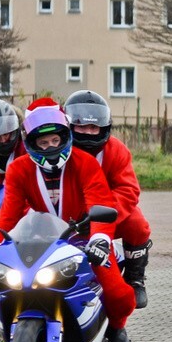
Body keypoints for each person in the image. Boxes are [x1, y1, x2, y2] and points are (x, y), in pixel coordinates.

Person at [0, 98, 136, 342]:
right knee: (8, 286)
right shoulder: (18, 169)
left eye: (55, 140)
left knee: (119, 294)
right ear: (31, 143)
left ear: (65, 137)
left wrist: (100, 239)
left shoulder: (85, 162)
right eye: (43, 142)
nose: (50, 147)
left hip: (84, 237)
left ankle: (115, 329)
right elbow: (8, 214)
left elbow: (100, 203)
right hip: (41, 238)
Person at [64, 90, 153, 309]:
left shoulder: (117, 150)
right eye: (82, 127)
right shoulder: (58, 149)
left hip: (106, 212)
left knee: (138, 224)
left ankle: (135, 278)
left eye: (93, 127)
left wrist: (99, 216)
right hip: (65, 213)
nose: (88, 132)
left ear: (104, 128)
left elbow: (128, 190)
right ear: (70, 126)